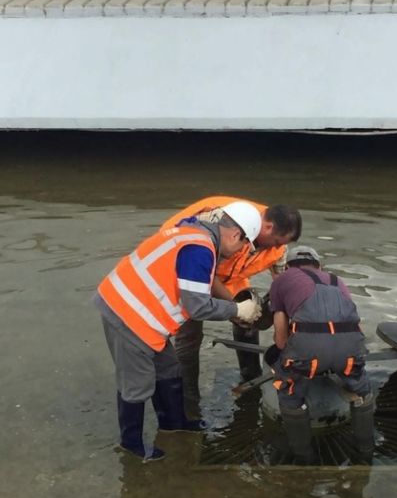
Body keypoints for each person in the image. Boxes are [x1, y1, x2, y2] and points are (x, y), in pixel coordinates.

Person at [94, 202, 263, 462]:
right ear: (235, 235)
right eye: (243, 245)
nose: (240, 251)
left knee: (170, 367)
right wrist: (237, 310)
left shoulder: (194, 233)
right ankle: (132, 445)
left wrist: (232, 306)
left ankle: (174, 424)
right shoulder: (200, 249)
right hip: (127, 314)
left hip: (141, 312)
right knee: (137, 385)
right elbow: (196, 306)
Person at [161, 195, 302, 412]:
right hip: (186, 268)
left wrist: (296, 322)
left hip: (229, 275)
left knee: (250, 315)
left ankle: (250, 377)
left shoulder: (275, 246)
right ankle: (188, 401)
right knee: (189, 336)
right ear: (267, 227)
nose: (276, 249)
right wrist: (235, 309)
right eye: (276, 242)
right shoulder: (229, 223)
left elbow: (284, 286)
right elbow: (208, 271)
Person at [264, 245, 375, 465]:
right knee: (361, 390)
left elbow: (280, 336)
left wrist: (285, 354)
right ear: (319, 265)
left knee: (289, 393)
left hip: (308, 353)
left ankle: (305, 458)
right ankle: (365, 454)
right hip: (351, 348)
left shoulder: (281, 280)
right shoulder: (337, 280)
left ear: (287, 266)